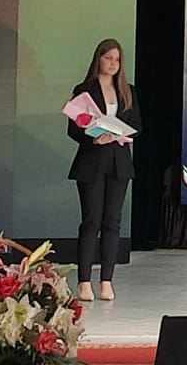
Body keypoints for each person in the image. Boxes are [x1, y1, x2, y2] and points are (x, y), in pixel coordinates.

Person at [67, 38, 142, 302]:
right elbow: (74, 128)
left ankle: (107, 280)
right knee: (91, 221)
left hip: (119, 162)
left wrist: (120, 133)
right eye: (108, 58)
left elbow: (137, 126)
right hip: (92, 162)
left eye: (117, 59)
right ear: (98, 59)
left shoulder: (128, 91)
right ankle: (84, 281)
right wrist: (93, 139)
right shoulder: (84, 90)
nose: (112, 63)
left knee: (113, 222)